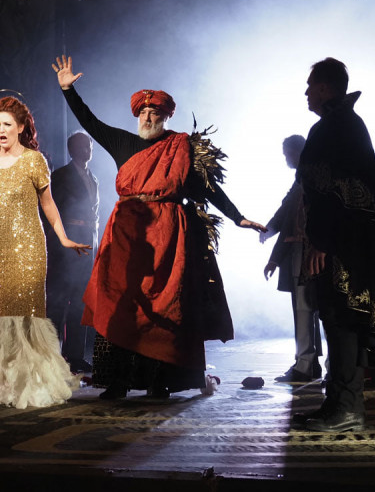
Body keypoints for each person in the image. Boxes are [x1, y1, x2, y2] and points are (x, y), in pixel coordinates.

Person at [52, 55, 267, 400]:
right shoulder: (123, 143)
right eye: (143, 112)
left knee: (164, 308)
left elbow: (207, 187)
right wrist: (68, 90)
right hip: (126, 235)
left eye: (154, 113)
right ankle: (118, 381)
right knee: (119, 302)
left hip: (167, 237)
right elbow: (89, 121)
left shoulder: (180, 149)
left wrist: (237, 216)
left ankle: (159, 380)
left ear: (166, 117)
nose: (147, 118)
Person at [0, 96, 89, 407]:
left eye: (7, 124)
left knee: (26, 317)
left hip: (29, 248)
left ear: (21, 127)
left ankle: (28, 383)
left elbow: (48, 204)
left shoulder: (35, 161)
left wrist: (63, 238)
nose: (1, 130)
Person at [294, 57, 375, 433]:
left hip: (344, 245)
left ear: (324, 87)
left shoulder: (342, 125)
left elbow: (338, 191)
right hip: (340, 241)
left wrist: (321, 241)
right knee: (334, 320)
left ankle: (348, 407)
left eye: (310, 85)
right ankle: (336, 402)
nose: (306, 92)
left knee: (345, 319)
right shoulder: (337, 124)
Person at [261, 134, 323, 383]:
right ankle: (307, 363)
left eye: (288, 153)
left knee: (313, 310)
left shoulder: (316, 178)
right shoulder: (300, 181)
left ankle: (309, 364)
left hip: (316, 253)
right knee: (304, 310)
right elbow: (285, 213)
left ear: (299, 152)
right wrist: (269, 232)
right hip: (299, 253)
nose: (286, 158)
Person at [46, 131, 100, 373]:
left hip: (88, 244)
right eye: (82, 146)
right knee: (58, 301)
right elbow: (51, 210)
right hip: (66, 244)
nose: (87, 150)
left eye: (89, 146)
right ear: (71, 149)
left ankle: (75, 355)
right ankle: (51, 355)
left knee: (81, 301)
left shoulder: (93, 178)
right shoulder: (60, 176)